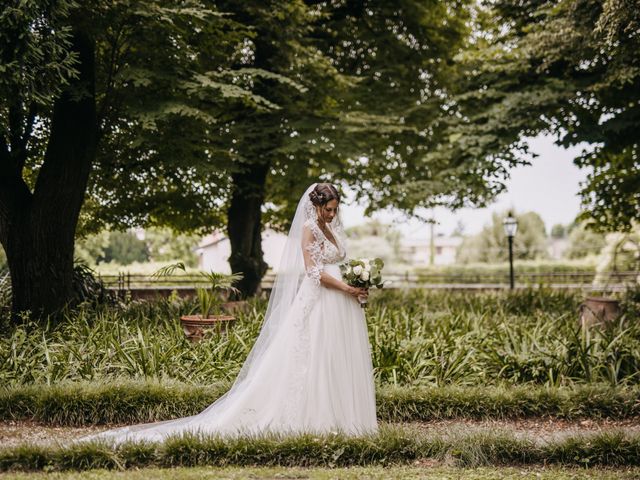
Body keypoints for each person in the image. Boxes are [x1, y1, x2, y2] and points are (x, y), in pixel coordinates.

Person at [78, 182, 378, 444]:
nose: (331, 214)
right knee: (314, 358)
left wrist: (357, 281)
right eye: (328, 209)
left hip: (341, 302)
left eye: (335, 210)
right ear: (316, 205)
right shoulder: (309, 230)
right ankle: (317, 419)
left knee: (336, 357)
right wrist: (349, 289)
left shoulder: (332, 228)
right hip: (321, 300)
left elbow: (339, 260)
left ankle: (345, 418)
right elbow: (314, 274)